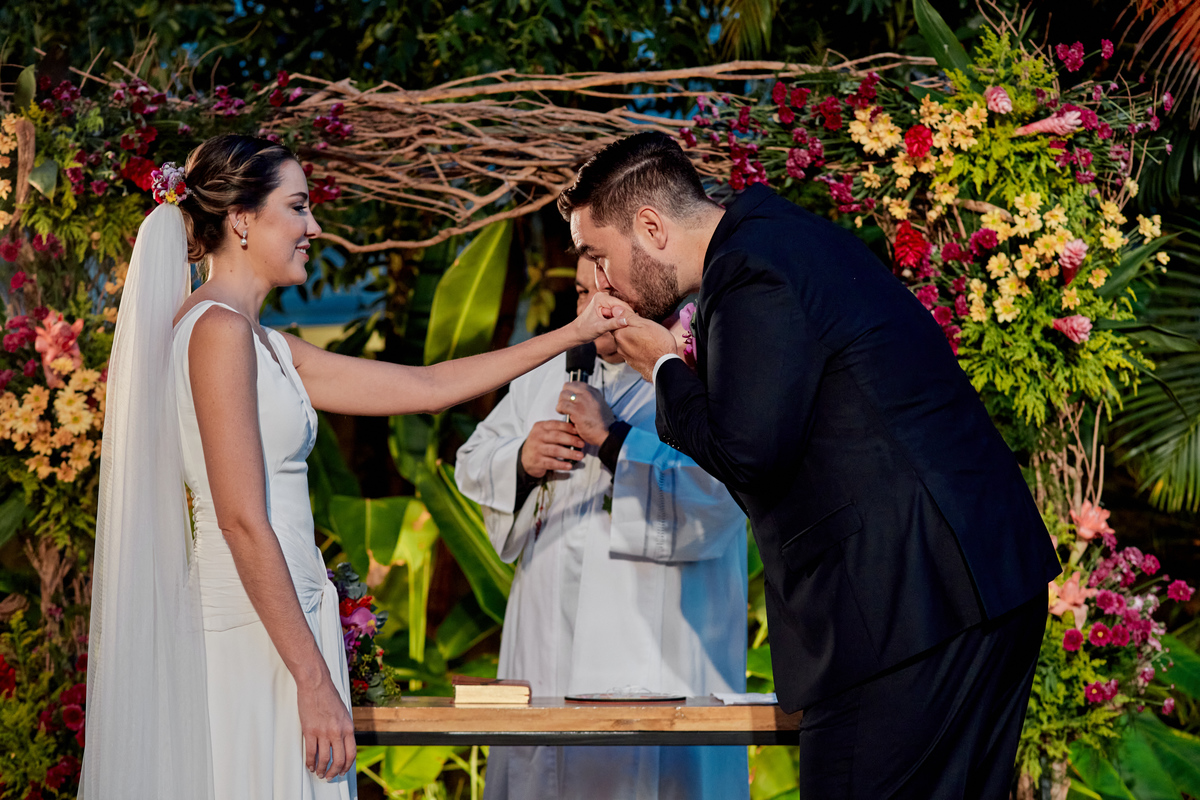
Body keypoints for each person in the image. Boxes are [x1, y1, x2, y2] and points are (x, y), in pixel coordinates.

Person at [80, 134, 629, 800]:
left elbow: (425, 387)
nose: (314, 227)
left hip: (287, 623)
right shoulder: (218, 332)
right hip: (253, 633)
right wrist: (312, 680)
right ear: (242, 221)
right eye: (299, 207)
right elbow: (242, 519)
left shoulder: (265, 344)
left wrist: (574, 332)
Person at [557, 131, 1063, 799]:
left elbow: (750, 452)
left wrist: (664, 366)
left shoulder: (748, 268)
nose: (598, 284)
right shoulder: (777, 238)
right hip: (972, 585)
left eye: (598, 257)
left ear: (649, 227)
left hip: (907, 605)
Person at [454, 256, 750, 800]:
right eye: (579, 292)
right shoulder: (550, 371)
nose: (592, 309)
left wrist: (613, 439)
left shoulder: (700, 373)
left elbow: (724, 493)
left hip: (648, 636)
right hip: (544, 628)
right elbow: (472, 460)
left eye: (606, 293)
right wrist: (522, 457)